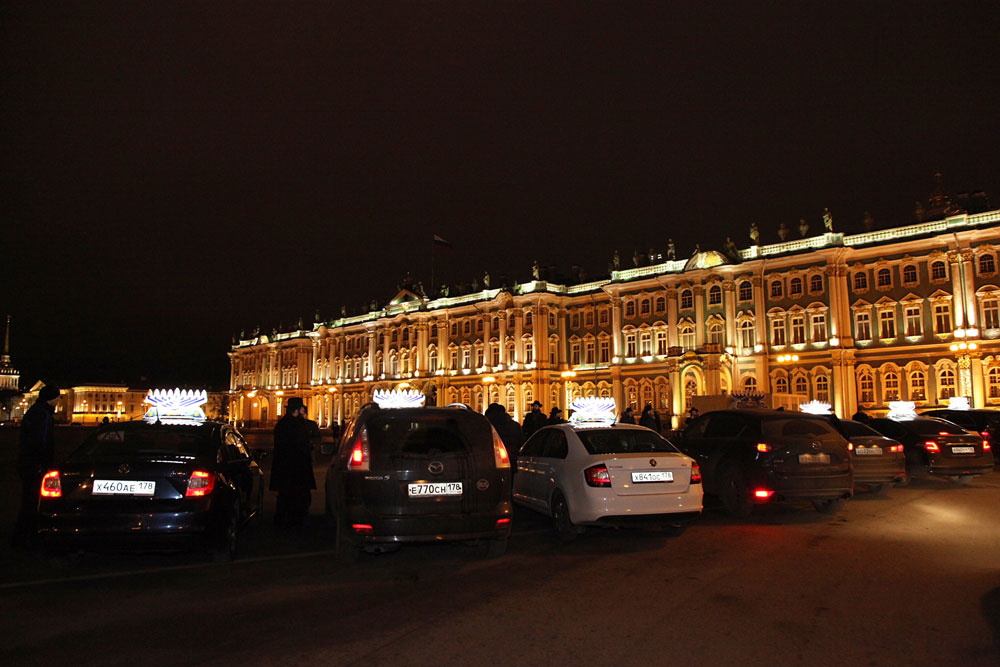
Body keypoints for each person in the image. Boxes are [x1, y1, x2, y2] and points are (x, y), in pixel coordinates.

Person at [12, 384, 60, 549]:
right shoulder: (43, 416)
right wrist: (45, 464)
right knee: (33, 503)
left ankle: (23, 537)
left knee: (29, 501)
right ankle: (27, 538)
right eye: (57, 397)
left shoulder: (35, 412)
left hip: (28, 462)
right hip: (35, 464)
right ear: (52, 399)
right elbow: (42, 441)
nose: (59, 400)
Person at [270, 397, 316, 529]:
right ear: (296, 410)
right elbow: (302, 446)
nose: (303, 411)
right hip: (297, 468)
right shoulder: (298, 425)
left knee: (284, 496)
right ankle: (295, 522)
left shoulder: (281, 425)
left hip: (283, 468)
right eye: (301, 409)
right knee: (298, 497)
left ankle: (281, 521)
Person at [485, 403, 524, 473]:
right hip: (512, 458)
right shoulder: (515, 425)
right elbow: (521, 442)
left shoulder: (489, 426)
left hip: (493, 462)